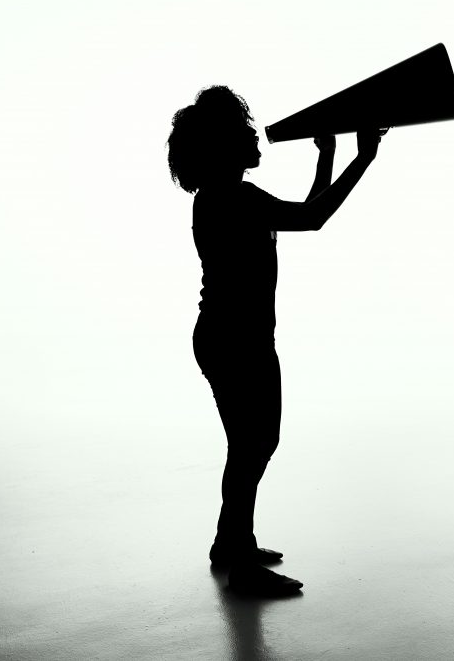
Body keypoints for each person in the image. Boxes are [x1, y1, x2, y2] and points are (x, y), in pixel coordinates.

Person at [167, 85, 383, 596]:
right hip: (236, 341)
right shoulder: (234, 199)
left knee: (250, 445)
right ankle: (239, 562)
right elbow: (313, 218)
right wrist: (363, 158)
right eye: (245, 132)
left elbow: (306, 210)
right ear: (225, 147)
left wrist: (328, 155)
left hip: (228, 337)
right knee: (252, 445)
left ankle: (230, 543)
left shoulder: (223, 197)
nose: (256, 137)